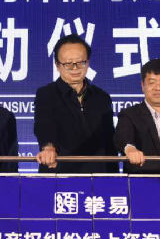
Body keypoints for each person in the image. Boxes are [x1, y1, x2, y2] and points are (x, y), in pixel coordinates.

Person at [34, 35, 118, 173]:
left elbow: (109, 141)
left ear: (88, 62)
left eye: (80, 62)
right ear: (57, 65)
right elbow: (44, 124)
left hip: (98, 174)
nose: (75, 68)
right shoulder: (46, 94)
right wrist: (48, 147)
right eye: (68, 63)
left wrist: (114, 176)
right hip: (60, 172)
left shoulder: (102, 97)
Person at [114, 58, 160, 174]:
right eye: (152, 82)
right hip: (142, 181)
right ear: (142, 85)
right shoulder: (129, 115)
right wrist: (130, 149)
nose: (158, 88)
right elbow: (122, 138)